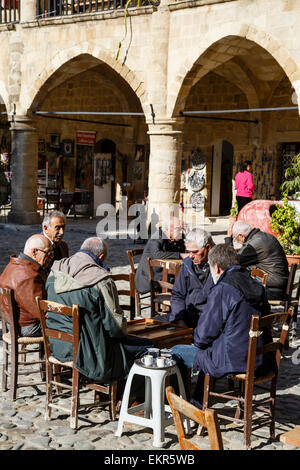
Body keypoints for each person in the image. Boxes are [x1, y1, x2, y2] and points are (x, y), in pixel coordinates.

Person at [170, 244, 271, 409]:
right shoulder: (256, 285)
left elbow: (202, 337)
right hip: (260, 359)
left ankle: (189, 406)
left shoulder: (223, 289)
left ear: (216, 268)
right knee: (209, 349)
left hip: (234, 359)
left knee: (176, 352)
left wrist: (202, 340)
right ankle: (197, 400)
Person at [46, 237, 154, 384]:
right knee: (149, 347)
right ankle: (133, 399)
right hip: (90, 354)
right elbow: (115, 329)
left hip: (58, 345)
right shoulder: (101, 280)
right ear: (101, 257)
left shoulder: (55, 271)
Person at [0, 234, 54, 337]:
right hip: (26, 327)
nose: (51, 257)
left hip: (10, 323)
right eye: (48, 252)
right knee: (68, 325)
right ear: (34, 252)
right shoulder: (29, 276)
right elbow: (41, 312)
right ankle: (55, 352)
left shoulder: (12, 265)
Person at [226, 220, 289, 300]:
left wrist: (228, 239)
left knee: (235, 275)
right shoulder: (265, 236)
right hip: (280, 283)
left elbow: (230, 261)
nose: (239, 243)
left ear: (241, 236)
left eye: (236, 239)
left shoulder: (254, 244)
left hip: (272, 289)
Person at [167, 228, 215, 328]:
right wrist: (179, 319)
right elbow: (177, 294)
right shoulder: (187, 264)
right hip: (188, 317)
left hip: (211, 321)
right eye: (189, 252)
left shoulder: (219, 265)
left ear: (208, 247)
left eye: (195, 252)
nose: (191, 256)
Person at [135, 216, 185, 295]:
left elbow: (183, 250)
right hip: (149, 277)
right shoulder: (157, 237)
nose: (181, 232)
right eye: (178, 229)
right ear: (167, 229)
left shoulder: (175, 237)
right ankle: (172, 304)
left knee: (183, 277)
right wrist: (180, 255)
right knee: (180, 281)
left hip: (163, 272)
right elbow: (157, 254)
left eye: (181, 229)